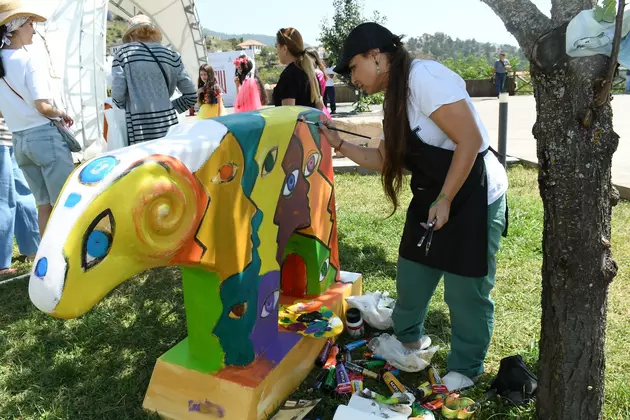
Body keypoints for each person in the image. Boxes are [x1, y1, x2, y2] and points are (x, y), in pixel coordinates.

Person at [319, 22, 508, 392]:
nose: (351, 77)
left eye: (353, 67)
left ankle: (467, 368)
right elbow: (381, 159)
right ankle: (408, 341)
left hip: (473, 194)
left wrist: (446, 199)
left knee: (466, 289)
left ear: (376, 57)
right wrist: (337, 142)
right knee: (413, 270)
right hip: (435, 194)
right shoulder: (393, 98)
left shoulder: (425, 78)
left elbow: (468, 140)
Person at [0, 1, 75, 234]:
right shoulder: (27, 60)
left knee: (44, 205)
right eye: (30, 23)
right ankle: (67, 261)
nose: (33, 28)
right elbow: (43, 106)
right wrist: (61, 113)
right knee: (64, 203)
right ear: (16, 27)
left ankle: (46, 262)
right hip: (44, 137)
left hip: (19, 140)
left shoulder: (3, 62)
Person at [111, 15, 197, 144]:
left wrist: (128, 105)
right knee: (168, 162)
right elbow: (191, 95)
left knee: (144, 162)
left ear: (131, 34)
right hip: (169, 126)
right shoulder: (171, 54)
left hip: (139, 126)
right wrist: (167, 107)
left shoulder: (123, 53)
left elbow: (118, 94)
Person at [0, 117, 39, 277]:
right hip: (9, 138)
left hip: (11, 137)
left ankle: (33, 249)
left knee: (23, 196)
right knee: (4, 201)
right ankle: (2, 264)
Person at [273, 28, 323, 109]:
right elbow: (320, 108)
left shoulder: (288, 76)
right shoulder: (310, 72)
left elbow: (288, 114)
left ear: (285, 48)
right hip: (312, 121)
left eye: (277, 46)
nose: (276, 51)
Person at [305, 48, 331, 118]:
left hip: (316, 109)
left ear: (313, 58)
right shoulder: (319, 72)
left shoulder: (316, 73)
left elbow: (319, 94)